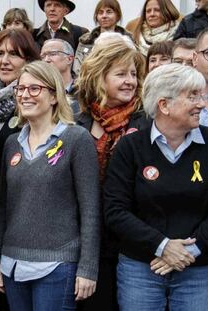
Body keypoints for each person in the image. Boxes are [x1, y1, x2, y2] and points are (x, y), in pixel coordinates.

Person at [104, 63, 208, 311]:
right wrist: (163, 246)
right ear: (164, 105)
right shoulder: (130, 147)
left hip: (197, 269)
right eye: (192, 96)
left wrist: (191, 250)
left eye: (201, 95)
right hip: (140, 268)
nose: (202, 103)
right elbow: (115, 211)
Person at [0, 60, 100, 310]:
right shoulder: (11, 144)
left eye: (34, 89)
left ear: (53, 96)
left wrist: (88, 268)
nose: (25, 95)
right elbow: (3, 207)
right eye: (20, 89)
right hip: (12, 265)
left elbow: (91, 210)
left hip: (58, 266)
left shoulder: (76, 139)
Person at [75, 40, 148, 311]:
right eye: (121, 74)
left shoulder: (146, 121)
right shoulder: (76, 121)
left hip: (133, 242)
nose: (130, 81)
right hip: (87, 242)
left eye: (133, 74)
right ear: (98, 76)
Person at [0, 28, 39, 142]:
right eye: (0, 53)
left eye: (13, 54)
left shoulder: (36, 101)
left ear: (28, 60)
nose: (4, 61)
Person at [74, 0, 130, 76]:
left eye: (109, 12)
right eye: (100, 12)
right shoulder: (85, 41)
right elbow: (77, 70)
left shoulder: (128, 41)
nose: (104, 16)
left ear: (118, 15)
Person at [40, 38, 79, 113]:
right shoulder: (37, 90)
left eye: (53, 54)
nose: (46, 60)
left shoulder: (85, 91)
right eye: (43, 56)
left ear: (69, 59)